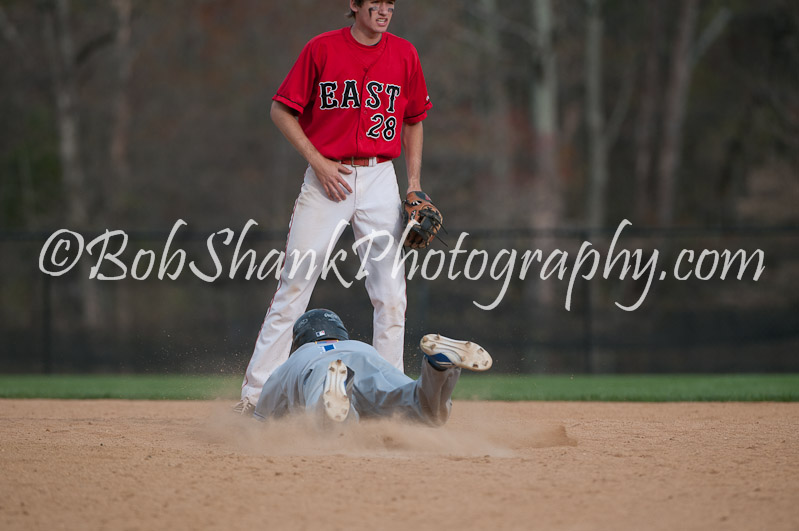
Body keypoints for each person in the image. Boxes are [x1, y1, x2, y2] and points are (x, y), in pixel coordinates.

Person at [235, 0, 433, 415]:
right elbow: (281, 110)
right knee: (295, 284)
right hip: (328, 176)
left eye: (390, 4)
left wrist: (413, 184)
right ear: (355, 5)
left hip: (380, 177)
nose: (384, 11)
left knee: (391, 295)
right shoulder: (322, 49)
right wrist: (317, 161)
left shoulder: (404, 54)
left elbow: (414, 119)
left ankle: (391, 399)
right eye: (375, 4)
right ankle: (256, 395)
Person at [252, 309, 493, 425]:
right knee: (424, 412)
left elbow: (262, 421)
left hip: (320, 369)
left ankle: (335, 391)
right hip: (366, 361)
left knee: (329, 425)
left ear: (299, 340)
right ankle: (438, 366)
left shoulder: (295, 360)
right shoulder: (361, 346)